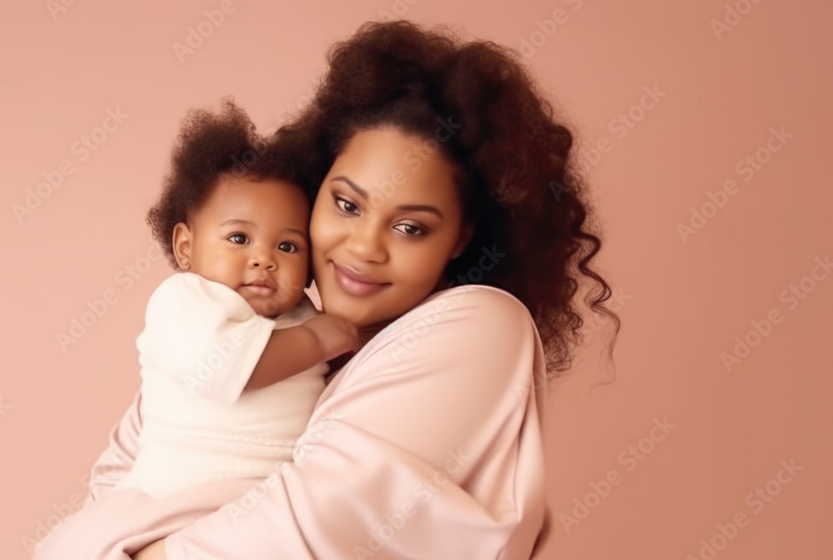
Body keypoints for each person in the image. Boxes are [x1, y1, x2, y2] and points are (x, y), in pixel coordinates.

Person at [62, 19, 619, 559]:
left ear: (459, 240)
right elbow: (109, 489)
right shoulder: (255, 329)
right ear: (315, 188)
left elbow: (312, 525)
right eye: (347, 205)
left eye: (410, 228)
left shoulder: (482, 326)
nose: (364, 247)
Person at [32, 100, 359, 559]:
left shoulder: (302, 313)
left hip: (263, 497)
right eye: (239, 238)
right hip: (176, 491)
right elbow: (229, 367)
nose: (264, 259)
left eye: (287, 246)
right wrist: (320, 340)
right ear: (186, 247)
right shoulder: (186, 300)